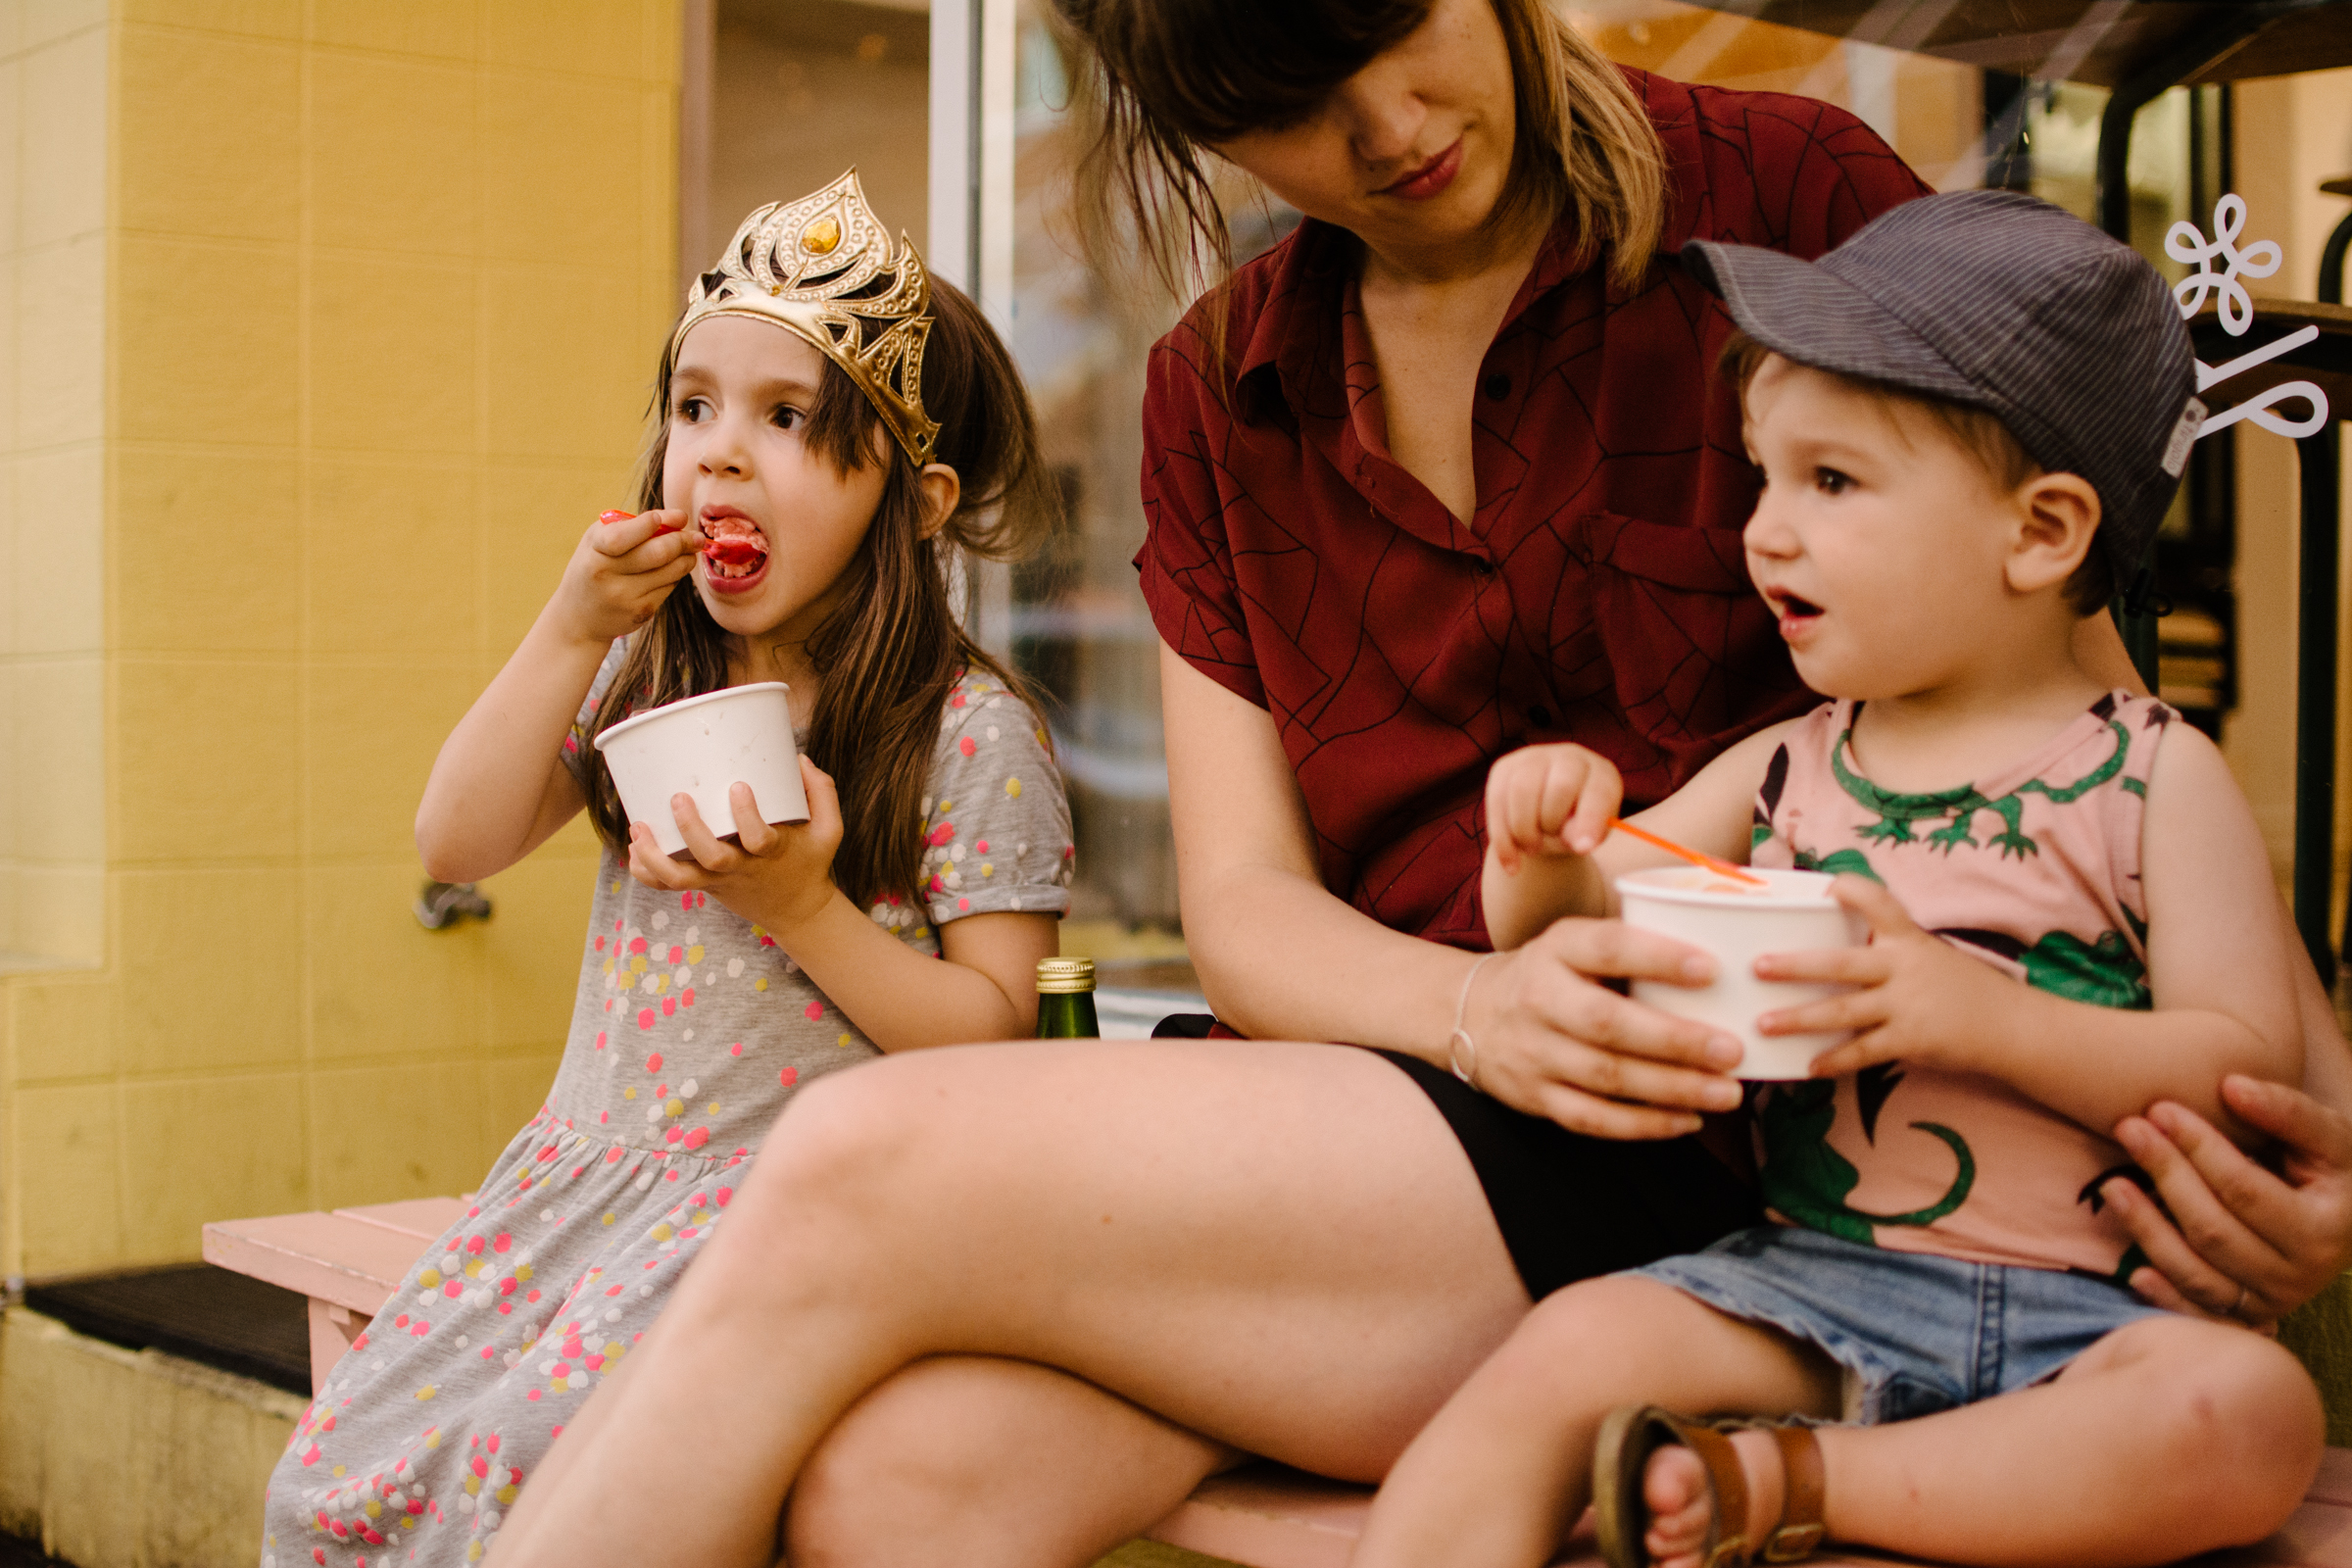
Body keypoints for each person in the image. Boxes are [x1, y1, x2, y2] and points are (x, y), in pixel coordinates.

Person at [490, 4, 2352, 1565]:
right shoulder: (1219, 382)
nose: (1383, 126)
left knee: (850, 1159)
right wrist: (1480, 1001)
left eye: (1393, 21)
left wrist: (2316, 1143)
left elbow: (2081, 718)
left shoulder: (1786, 204)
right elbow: (1245, 916)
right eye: (1283, 98)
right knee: (904, 1489)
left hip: (1739, 1167)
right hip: (1391, 1120)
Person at [1350, 190, 2323, 1568]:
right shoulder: (1787, 768)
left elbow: (2244, 1067)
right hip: (1814, 1290)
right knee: (1572, 1343)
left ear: (2041, 534)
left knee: (2248, 1419)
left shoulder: (2153, 776)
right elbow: (1584, 921)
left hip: (2102, 1326)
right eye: (1763, 477)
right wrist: (1546, 850)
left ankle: (1791, 1486)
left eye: (1831, 483)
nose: (1763, 531)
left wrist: (1970, 1016)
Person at [259, 171, 1073, 1568]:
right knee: (336, 1479)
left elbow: (1002, 1039)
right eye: (693, 408)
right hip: (581, 1186)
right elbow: (455, 839)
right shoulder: (645, 676)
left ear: (918, 498)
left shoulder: (969, 732)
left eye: (786, 420)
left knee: (533, 1467)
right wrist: (569, 629)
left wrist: (801, 909)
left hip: (784, 1226)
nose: (718, 457)